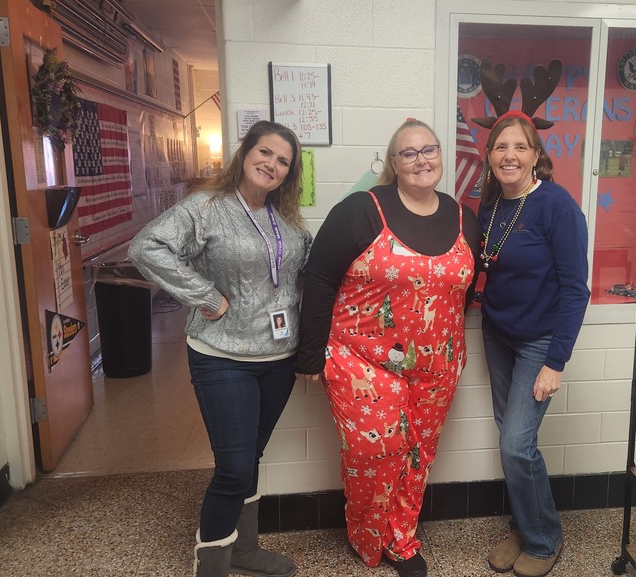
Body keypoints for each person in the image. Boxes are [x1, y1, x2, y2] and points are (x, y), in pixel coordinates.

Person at [296, 119, 480, 577]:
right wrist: (309, 353)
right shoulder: (361, 210)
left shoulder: (464, 218)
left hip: (438, 367)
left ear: (442, 156)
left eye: (429, 150)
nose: (422, 160)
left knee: (417, 455)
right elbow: (319, 279)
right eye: (409, 153)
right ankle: (366, 538)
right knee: (374, 453)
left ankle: (401, 540)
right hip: (361, 360)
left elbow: (465, 289)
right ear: (393, 164)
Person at [128, 121, 311, 577]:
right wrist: (207, 297)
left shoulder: (285, 219)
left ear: (289, 173)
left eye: (283, 161)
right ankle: (209, 565)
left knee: (250, 458)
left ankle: (244, 551)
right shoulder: (206, 207)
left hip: (278, 357)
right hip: (221, 356)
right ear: (245, 153)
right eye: (265, 152)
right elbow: (145, 246)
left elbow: (305, 269)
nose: (272, 164)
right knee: (232, 467)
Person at [477, 112, 590, 577]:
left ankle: (544, 541)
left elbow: (575, 289)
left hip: (538, 342)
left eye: (520, 147)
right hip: (497, 334)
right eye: (501, 147)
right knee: (513, 439)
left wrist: (555, 361)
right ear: (488, 157)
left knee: (515, 445)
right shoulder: (490, 205)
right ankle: (525, 525)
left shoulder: (557, 206)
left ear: (536, 155)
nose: (510, 155)